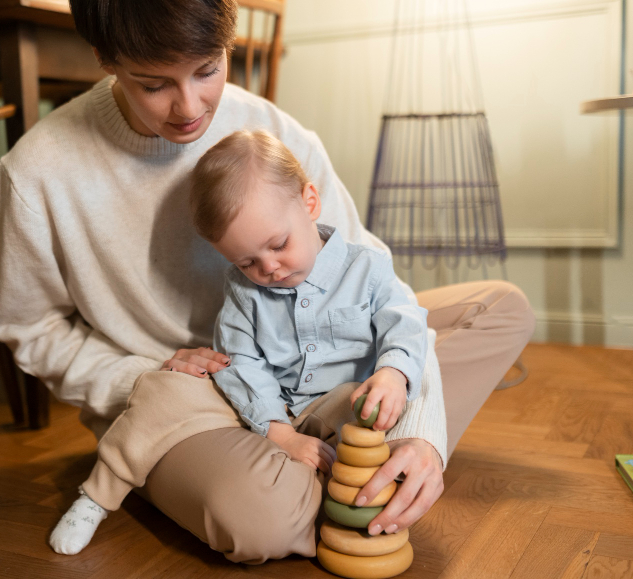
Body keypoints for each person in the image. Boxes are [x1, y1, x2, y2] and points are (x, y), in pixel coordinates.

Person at [0, 0, 535, 564]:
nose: (190, 107)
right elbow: (31, 328)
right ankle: (326, 467)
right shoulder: (37, 171)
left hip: (322, 360)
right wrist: (139, 374)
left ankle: (370, 455)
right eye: (154, 83)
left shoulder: (277, 135)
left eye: (207, 68)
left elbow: (371, 276)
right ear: (106, 60)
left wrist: (423, 433)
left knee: (500, 308)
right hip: (189, 400)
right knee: (263, 520)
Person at [49, 130, 431, 554]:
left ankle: (337, 495)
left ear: (309, 202)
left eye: (279, 244)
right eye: (246, 261)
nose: (269, 268)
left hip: (337, 405)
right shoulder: (242, 291)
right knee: (162, 390)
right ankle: (96, 498)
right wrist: (279, 433)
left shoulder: (369, 268)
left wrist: (393, 373)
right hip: (263, 406)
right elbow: (242, 362)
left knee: (377, 407)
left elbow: (407, 324)